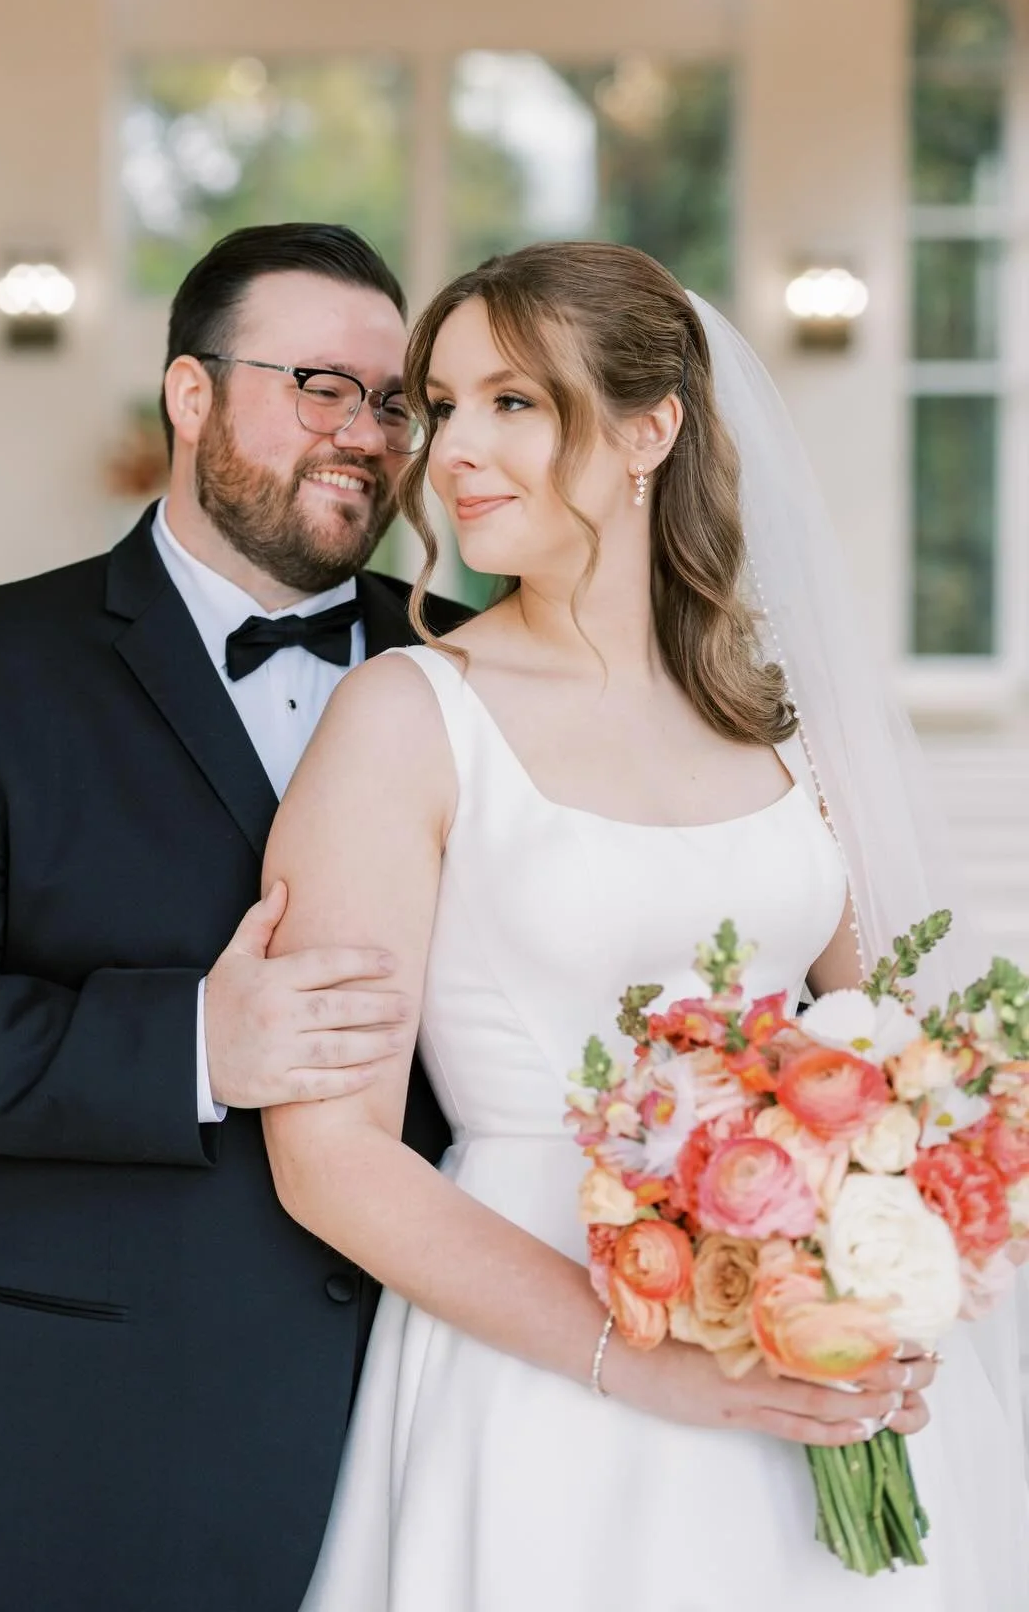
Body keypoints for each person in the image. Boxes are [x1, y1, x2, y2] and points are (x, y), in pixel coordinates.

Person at [261, 241, 1029, 1609]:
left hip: (801, 1345)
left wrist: (872, 1272)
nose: (453, 451)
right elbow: (329, 1158)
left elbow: (902, 1067)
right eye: (443, 406)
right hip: (536, 1360)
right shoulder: (404, 719)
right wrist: (639, 1361)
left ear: (648, 429)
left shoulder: (784, 724)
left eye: (515, 402)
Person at [0, 222, 468, 1612]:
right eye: (320, 386)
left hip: (446, 1403)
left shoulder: (484, 663)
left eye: (393, 399)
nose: (366, 432)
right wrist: (191, 1045)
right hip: (99, 1426)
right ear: (191, 394)